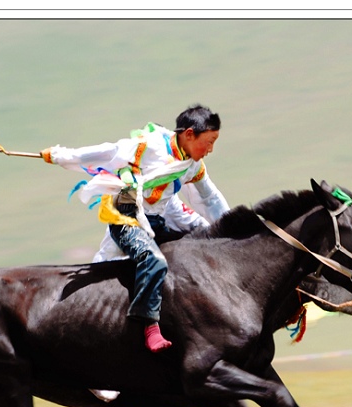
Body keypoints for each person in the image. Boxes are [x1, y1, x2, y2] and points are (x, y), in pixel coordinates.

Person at [35, 104, 230, 353]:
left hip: (160, 219)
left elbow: (210, 199)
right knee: (148, 263)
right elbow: (107, 152)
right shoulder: (147, 146)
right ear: (189, 134)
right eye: (209, 141)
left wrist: (233, 228)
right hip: (128, 217)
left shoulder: (192, 165)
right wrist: (60, 155)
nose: (211, 149)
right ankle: (147, 326)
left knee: (203, 242)